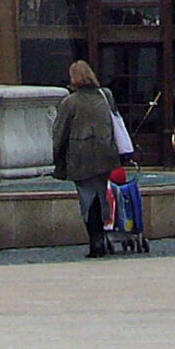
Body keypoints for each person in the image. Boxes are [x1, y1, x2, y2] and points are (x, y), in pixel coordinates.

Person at [49, 60, 122, 259]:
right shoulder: (105, 96)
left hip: (80, 157)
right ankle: (105, 236)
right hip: (105, 154)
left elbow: (59, 134)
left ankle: (96, 241)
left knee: (87, 199)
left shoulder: (70, 103)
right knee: (100, 195)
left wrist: (56, 159)